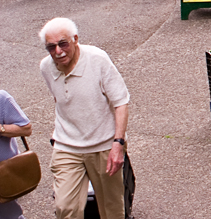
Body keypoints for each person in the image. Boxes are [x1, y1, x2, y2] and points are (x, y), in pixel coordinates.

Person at [39, 17, 130, 219]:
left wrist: (118, 143)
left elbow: (121, 102)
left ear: (75, 39)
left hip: (103, 145)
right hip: (67, 145)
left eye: (63, 44)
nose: (58, 52)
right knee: (65, 208)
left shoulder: (97, 59)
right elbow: (60, 100)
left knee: (111, 210)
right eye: (51, 47)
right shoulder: (46, 66)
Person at [0, 89, 32, 219]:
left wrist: (1, 128)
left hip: (3, 175)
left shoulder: (2, 98)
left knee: (9, 215)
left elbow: (26, 128)